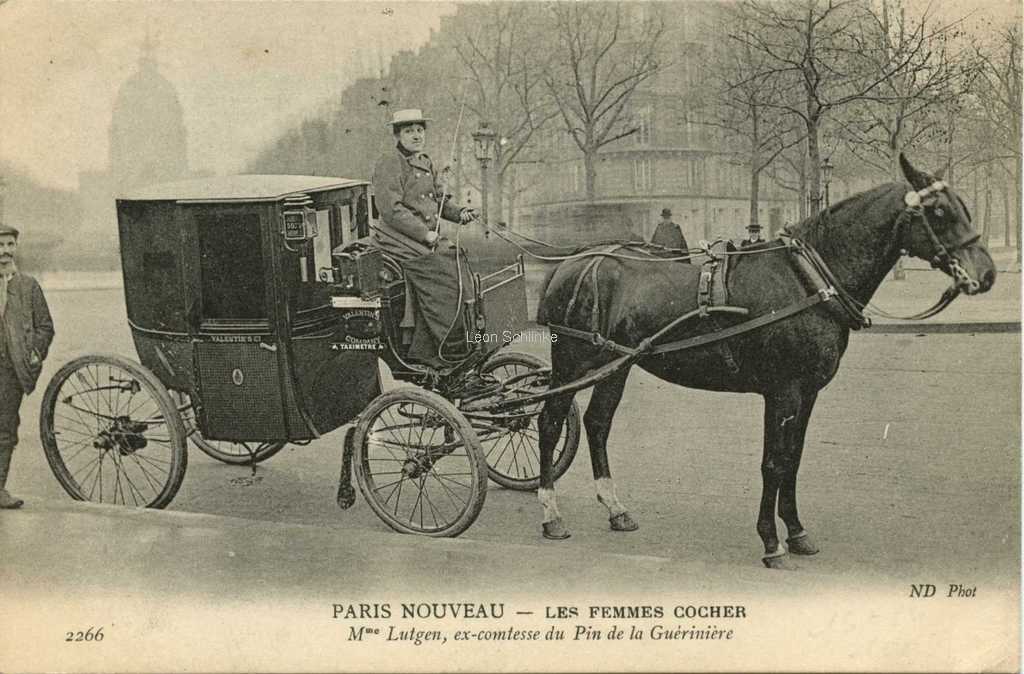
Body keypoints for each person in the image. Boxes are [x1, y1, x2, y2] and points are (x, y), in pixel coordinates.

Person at [371, 109, 480, 372]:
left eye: (419, 130)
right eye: (409, 131)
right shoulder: (390, 162)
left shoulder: (425, 161)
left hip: (423, 236)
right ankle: (437, 348)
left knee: (457, 259)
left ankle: (464, 335)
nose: (416, 135)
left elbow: (439, 200)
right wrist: (425, 233)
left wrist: (460, 213)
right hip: (396, 236)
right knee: (440, 272)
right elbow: (391, 209)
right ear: (398, 135)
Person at [0, 224, 54, 509]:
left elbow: (45, 327)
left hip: (10, 373)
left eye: (10, 245)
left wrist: (34, 354)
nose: (5, 251)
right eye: (0, 245)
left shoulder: (27, 286)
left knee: (5, 429)